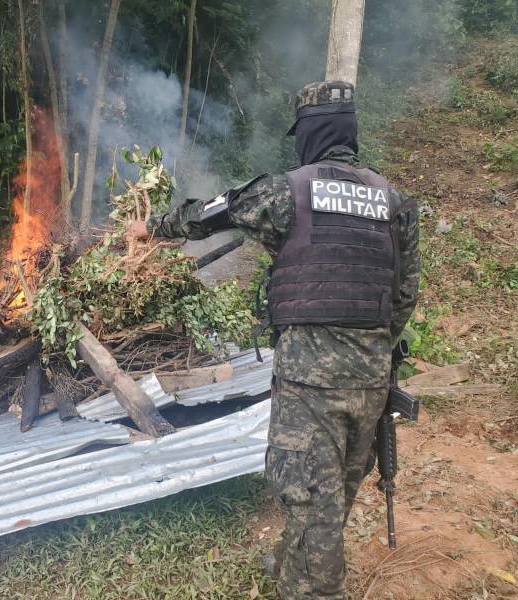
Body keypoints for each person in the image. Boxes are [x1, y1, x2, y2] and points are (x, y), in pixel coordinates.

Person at [127, 80, 420, 599]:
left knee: (309, 493)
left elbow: (212, 212)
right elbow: (403, 298)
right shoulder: (395, 203)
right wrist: (368, 351)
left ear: (308, 133)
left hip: (309, 383)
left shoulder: (288, 191)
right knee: (336, 491)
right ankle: (290, 562)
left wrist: (153, 230)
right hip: (372, 380)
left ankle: (315, 590)